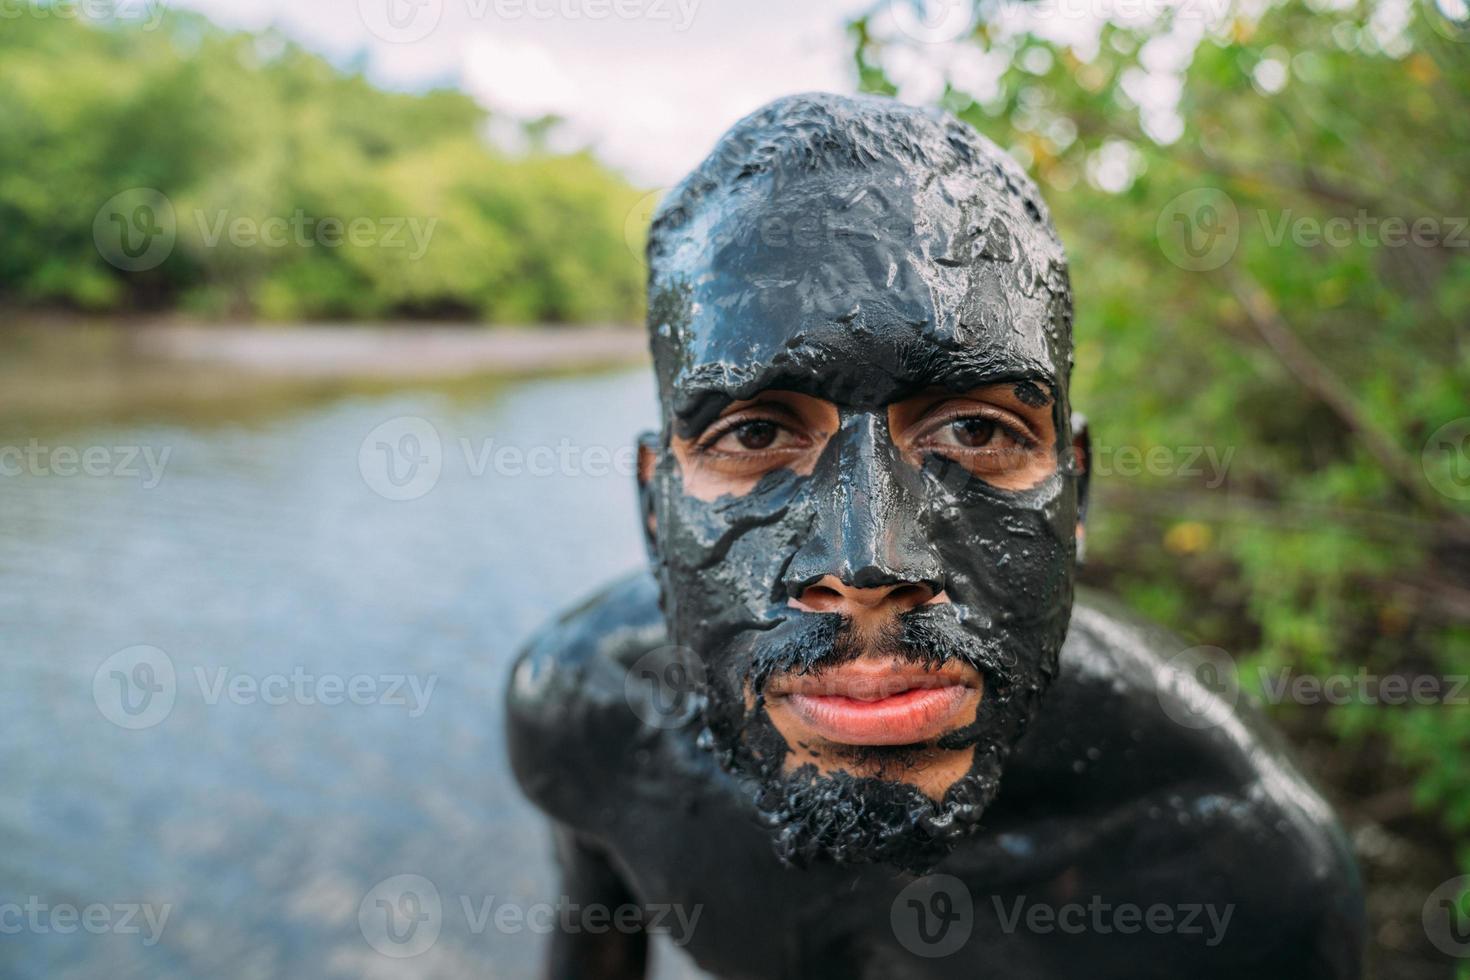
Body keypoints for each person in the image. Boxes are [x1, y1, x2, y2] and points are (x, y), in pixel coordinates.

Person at [506, 92, 1364, 979]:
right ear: (656, 513)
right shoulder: (590, 717)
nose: (866, 564)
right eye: (756, 435)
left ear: (1076, 497)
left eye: (976, 431)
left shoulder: (1237, 867)